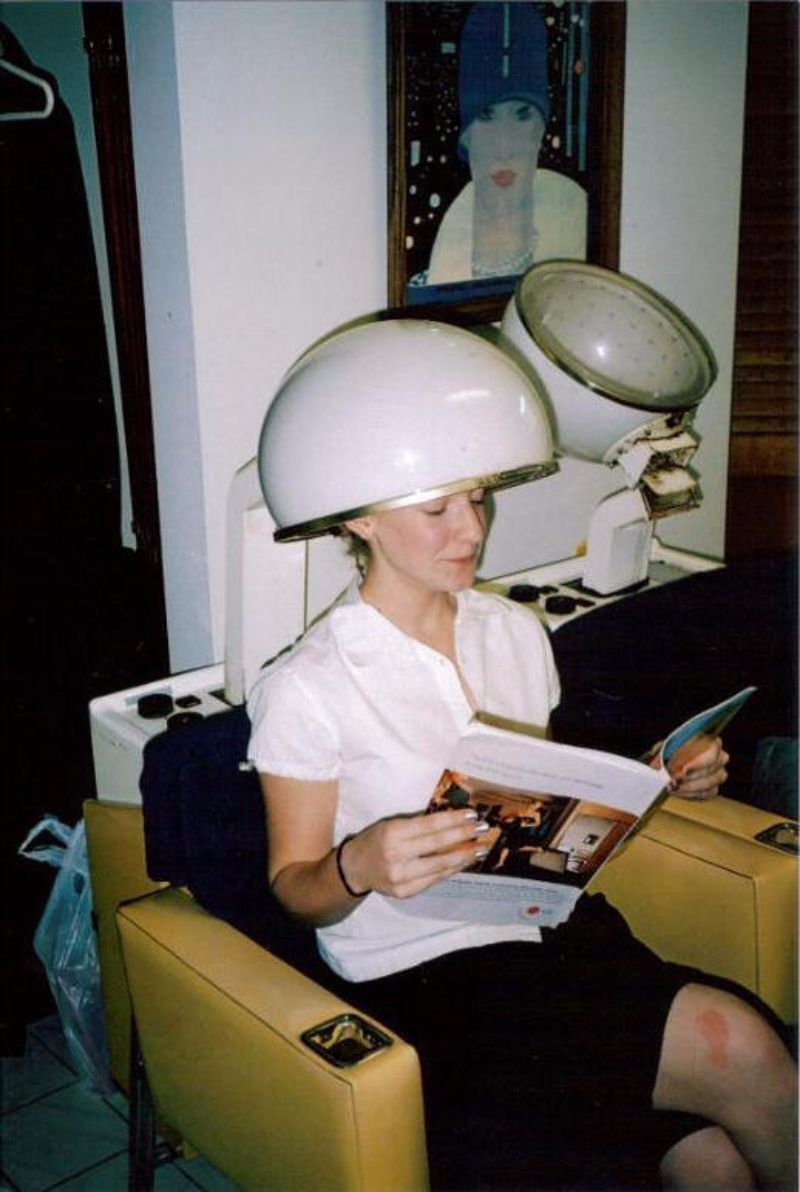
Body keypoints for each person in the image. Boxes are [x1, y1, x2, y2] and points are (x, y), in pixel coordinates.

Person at [248, 320, 797, 1190]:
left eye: (477, 498)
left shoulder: (514, 632)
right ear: (358, 518)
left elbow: (545, 820)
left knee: (718, 1165)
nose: (471, 528)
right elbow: (294, 887)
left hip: (548, 931)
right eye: (437, 509)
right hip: (422, 979)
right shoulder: (307, 687)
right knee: (740, 1046)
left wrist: (662, 779)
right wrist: (359, 864)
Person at [417, 2, 587, 288]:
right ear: (465, 136)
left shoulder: (576, 220)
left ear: (541, 129)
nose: (505, 148)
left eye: (522, 116)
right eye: (486, 116)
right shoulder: (441, 253)